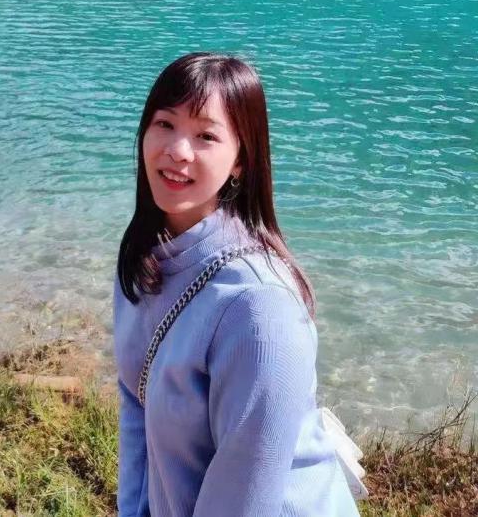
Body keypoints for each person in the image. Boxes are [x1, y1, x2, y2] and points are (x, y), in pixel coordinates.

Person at [113, 52, 360, 517]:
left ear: (241, 161)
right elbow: (136, 410)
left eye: (206, 136)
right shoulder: (145, 260)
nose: (178, 150)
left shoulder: (259, 307)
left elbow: (246, 498)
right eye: (165, 124)